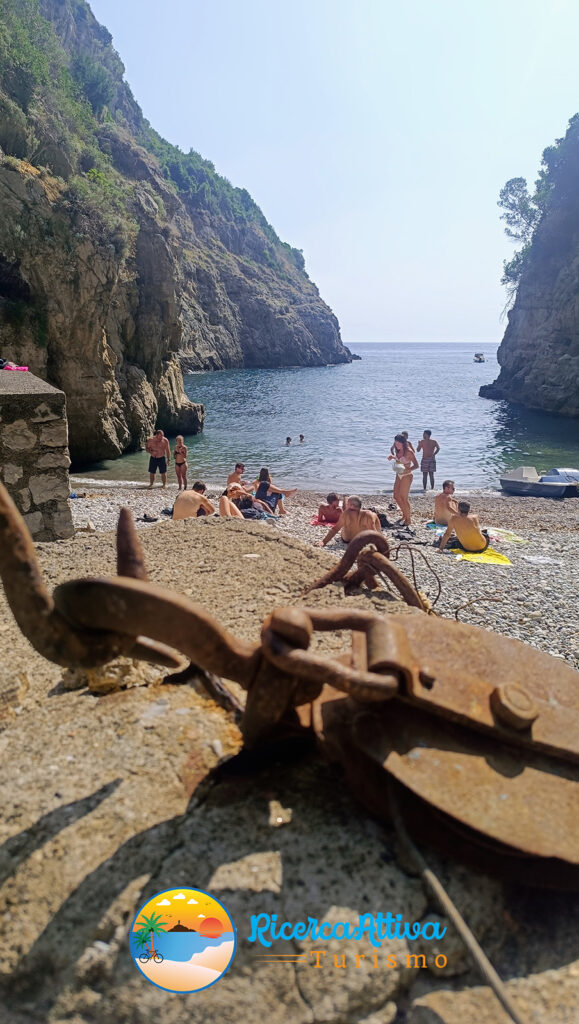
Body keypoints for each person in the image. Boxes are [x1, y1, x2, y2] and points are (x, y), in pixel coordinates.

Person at [388, 434, 418, 528]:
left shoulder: (409, 451)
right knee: (396, 496)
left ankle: (408, 520)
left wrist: (408, 470)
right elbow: (399, 461)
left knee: (404, 498)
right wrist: (393, 457)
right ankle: (405, 514)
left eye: (398, 443)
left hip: (407, 475)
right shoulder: (398, 450)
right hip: (399, 474)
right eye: (395, 442)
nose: (396, 444)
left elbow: (416, 465)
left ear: (403, 443)